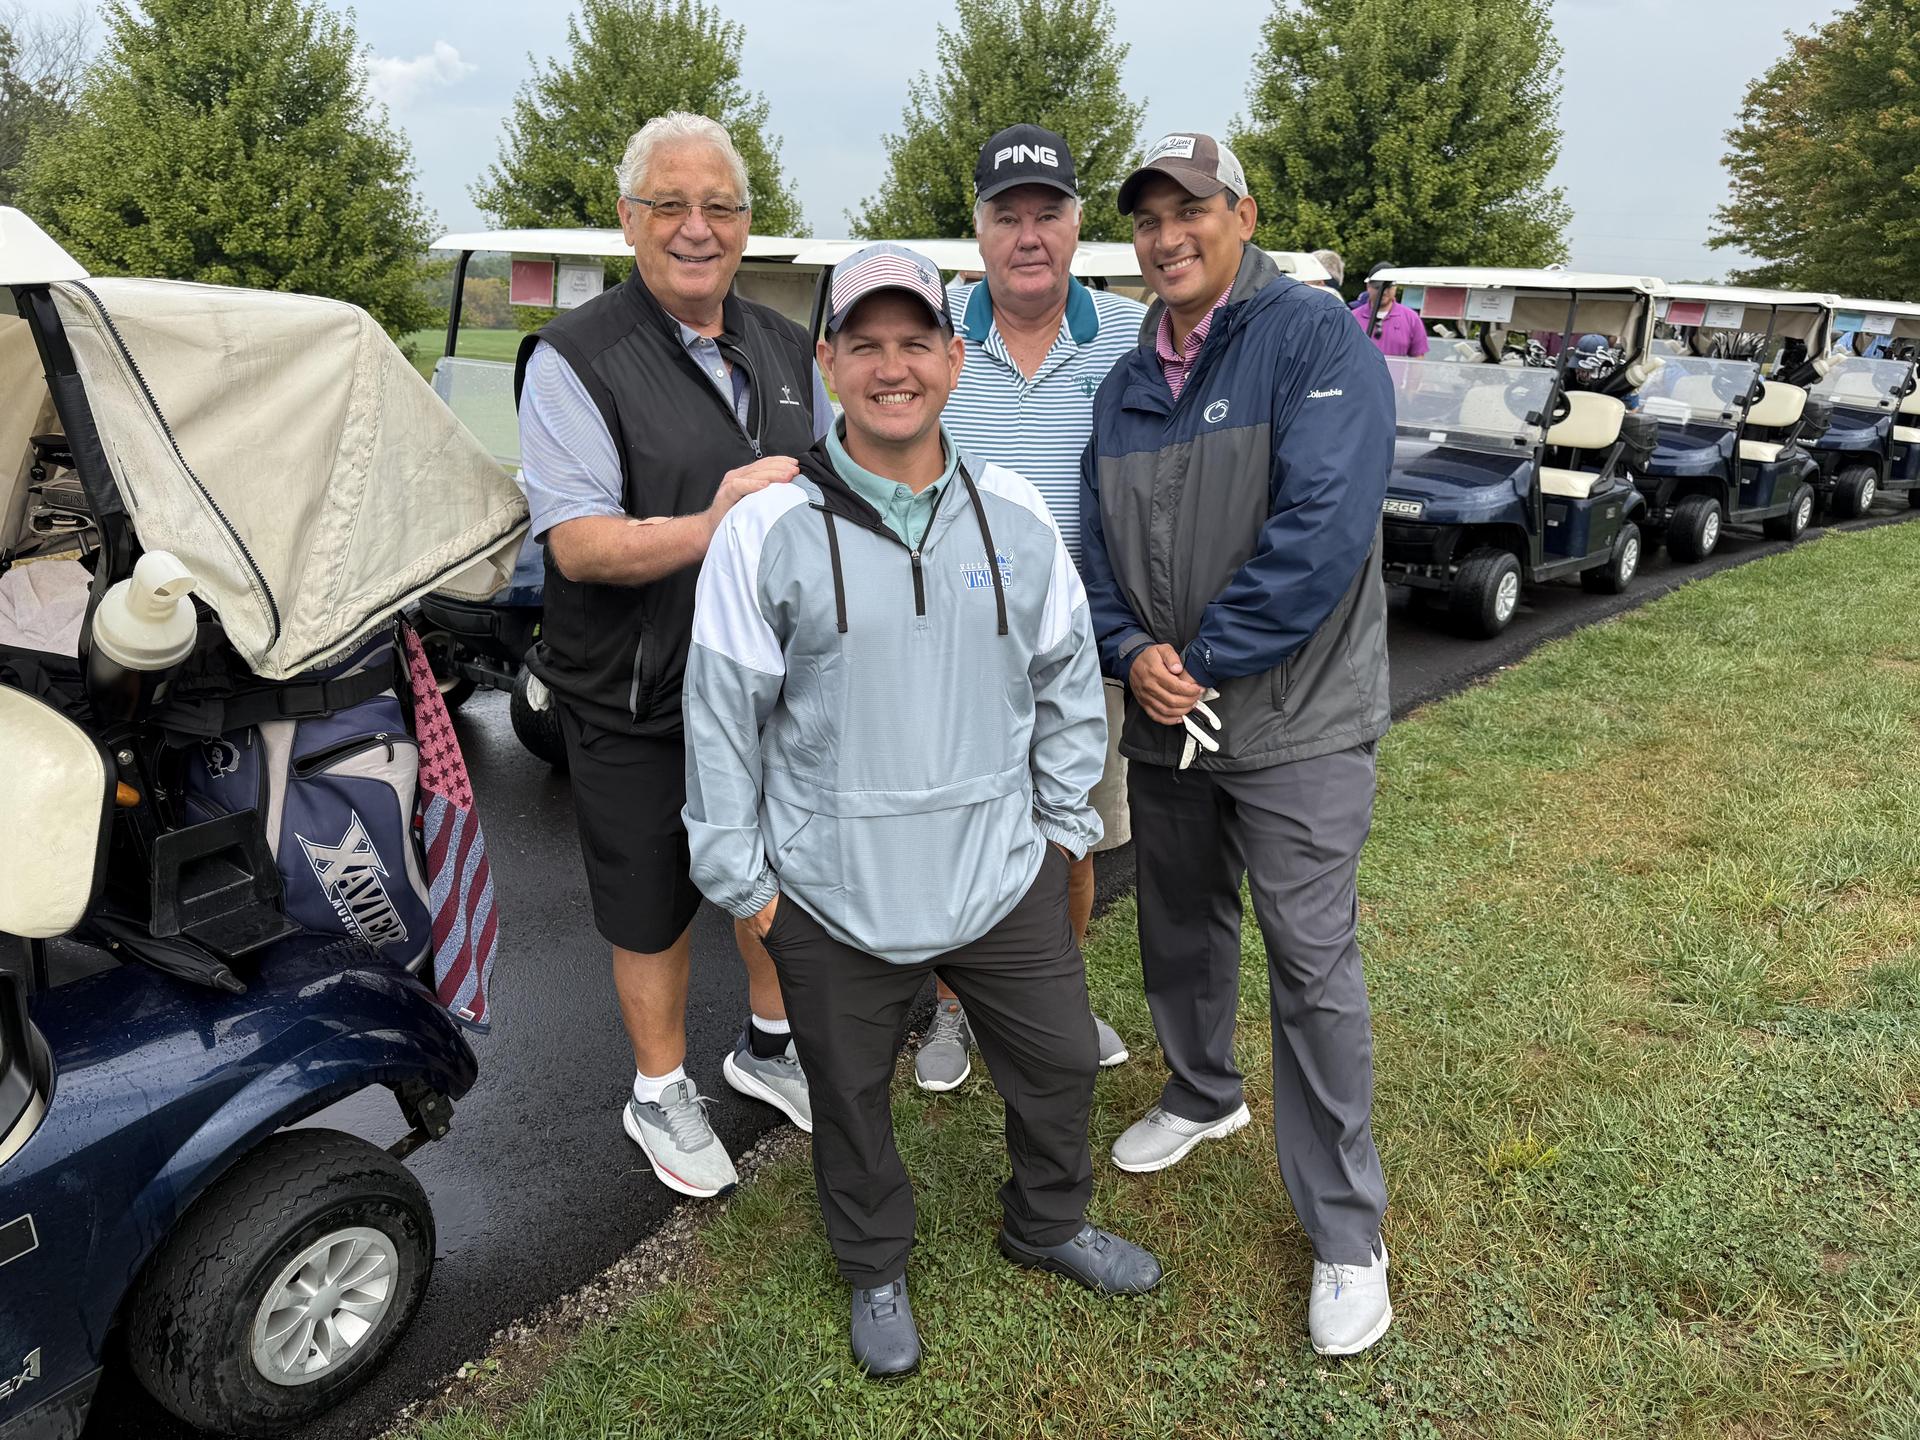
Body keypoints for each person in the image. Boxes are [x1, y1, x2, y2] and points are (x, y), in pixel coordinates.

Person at [683, 243, 1162, 1377]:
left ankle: (1046, 1222)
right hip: (831, 891)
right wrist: (748, 888)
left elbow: (1065, 677)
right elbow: (721, 718)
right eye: (866, 345)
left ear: (953, 358)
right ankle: (875, 1264)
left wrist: (1059, 831)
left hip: (1000, 874)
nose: (891, 367)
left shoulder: (1015, 511)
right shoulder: (766, 526)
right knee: (850, 1097)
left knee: (1060, 1064)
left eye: (914, 343)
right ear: (828, 364)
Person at [1082, 131, 1397, 1357]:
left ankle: (1348, 1234)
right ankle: (1204, 1091)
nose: (1168, 236)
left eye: (1191, 210)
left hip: (1295, 721)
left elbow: (1322, 529)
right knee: (1178, 923)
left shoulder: (1312, 339)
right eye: (1148, 218)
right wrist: (1132, 652)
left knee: (1310, 966)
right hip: (1169, 717)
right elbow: (1099, 552)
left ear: (1244, 215)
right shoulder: (1127, 380)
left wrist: (1201, 657)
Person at [515, 112, 830, 1199]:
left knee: (774, 877)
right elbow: (577, 543)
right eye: (670, 205)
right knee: (650, 905)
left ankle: (770, 1049)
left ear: (746, 224)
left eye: (721, 207)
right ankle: (658, 1090)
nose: (698, 228)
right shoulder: (575, 359)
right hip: (637, 690)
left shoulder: (785, 346)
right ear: (628, 219)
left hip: (770, 686)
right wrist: (715, 523)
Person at [917, 122, 1144, 1091]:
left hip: (1083, 649)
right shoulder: (930, 330)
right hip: (949, 650)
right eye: (1006, 216)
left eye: (1047, 214)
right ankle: (950, 1008)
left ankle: (1056, 997)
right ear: (978, 229)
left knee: (1069, 839)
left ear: (1077, 224)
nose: (1028, 235)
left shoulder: (1131, 337)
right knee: (955, 839)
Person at [1354, 261, 1430, 357]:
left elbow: (1418, 358)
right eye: (1378, 287)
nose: (1383, 292)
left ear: (1395, 287)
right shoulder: (1352, 318)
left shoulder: (1411, 318)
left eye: (1388, 287)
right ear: (1368, 286)